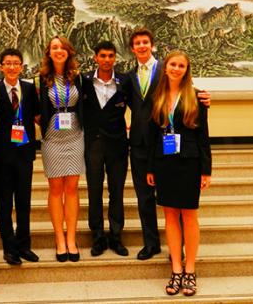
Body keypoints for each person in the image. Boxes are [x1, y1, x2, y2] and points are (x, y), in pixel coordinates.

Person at [126, 28, 210, 261]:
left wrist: (204, 97)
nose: (142, 46)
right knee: (145, 198)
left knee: (178, 203)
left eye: (145, 42)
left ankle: (181, 249)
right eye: (137, 43)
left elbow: (186, 96)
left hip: (173, 149)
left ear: (152, 45)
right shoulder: (128, 76)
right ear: (132, 48)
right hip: (142, 146)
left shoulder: (168, 67)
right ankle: (151, 244)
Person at [146, 50, 212, 296]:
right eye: (172, 64)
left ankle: (190, 270)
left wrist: (206, 170)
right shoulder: (158, 97)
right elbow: (154, 137)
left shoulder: (197, 97)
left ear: (187, 69)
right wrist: (151, 167)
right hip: (164, 163)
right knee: (170, 216)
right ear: (165, 67)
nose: (176, 68)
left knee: (189, 216)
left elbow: (203, 135)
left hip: (189, 163)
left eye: (181, 65)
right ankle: (175, 268)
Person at [37, 35, 84, 262]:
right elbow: (34, 106)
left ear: (69, 52)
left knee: (72, 187)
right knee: (56, 187)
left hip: (75, 135)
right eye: (54, 47)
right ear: (49, 52)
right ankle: (59, 239)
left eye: (62, 47)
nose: (59, 50)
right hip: (52, 137)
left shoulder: (78, 77)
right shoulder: (42, 78)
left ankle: (72, 239)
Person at [0, 48, 40, 266]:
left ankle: (24, 245)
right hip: (1, 156)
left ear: (21, 66)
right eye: (7, 63)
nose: (12, 67)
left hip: (24, 153)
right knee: (3, 203)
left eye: (16, 63)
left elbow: (37, 115)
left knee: (24, 201)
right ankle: (9, 247)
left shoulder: (29, 89)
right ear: (1, 66)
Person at [82, 41, 129, 257]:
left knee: (116, 191)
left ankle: (116, 235)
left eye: (111, 56)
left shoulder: (125, 81)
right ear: (96, 58)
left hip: (118, 144)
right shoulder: (83, 81)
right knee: (94, 191)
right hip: (92, 144)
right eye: (103, 56)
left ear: (115, 58)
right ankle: (98, 236)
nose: (107, 59)